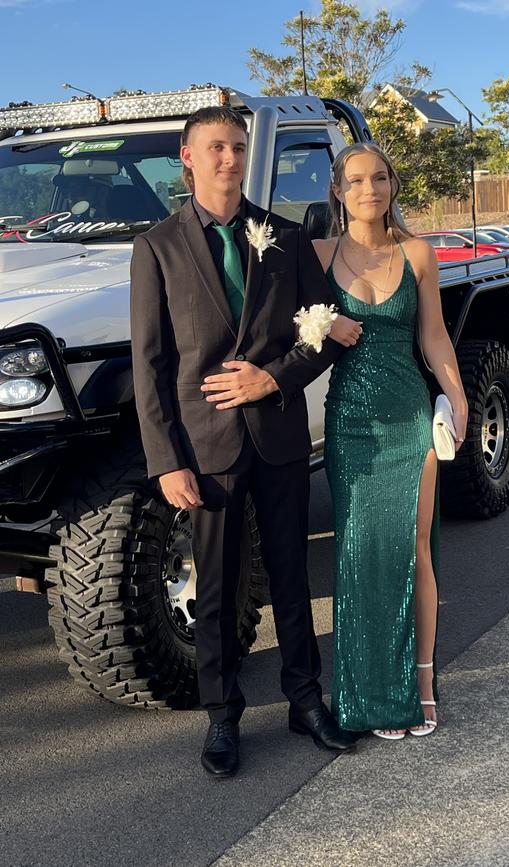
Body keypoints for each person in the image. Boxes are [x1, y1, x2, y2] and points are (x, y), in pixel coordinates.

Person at [130, 106, 362, 779]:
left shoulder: (284, 237)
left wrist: (273, 378)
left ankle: (304, 699)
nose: (229, 159)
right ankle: (222, 716)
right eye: (216, 148)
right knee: (220, 586)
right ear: (188, 157)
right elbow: (151, 364)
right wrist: (166, 459)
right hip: (206, 450)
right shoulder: (157, 248)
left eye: (237, 147)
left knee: (293, 575)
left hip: (280, 434)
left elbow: (318, 334)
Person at [313, 143, 468, 740]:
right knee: (359, 554)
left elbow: (434, 338)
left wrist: (456, 398)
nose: (369, 189)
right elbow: (279, 321)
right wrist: (326, 326)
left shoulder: (419, 254)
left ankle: (420, 682)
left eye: (379, 178)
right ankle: (367, 690)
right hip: (351, 423)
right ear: (338, 190)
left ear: (392, 185)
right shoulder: (318, 254)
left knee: (415, 549)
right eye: (356, 180)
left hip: (408, 420)